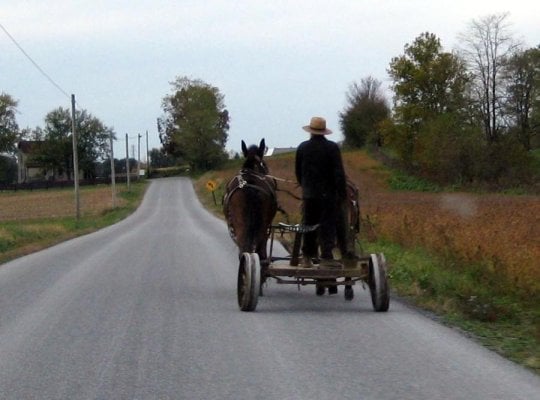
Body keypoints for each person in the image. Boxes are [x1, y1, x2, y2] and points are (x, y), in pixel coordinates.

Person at [295, 116, 346, 269]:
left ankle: (307, 257)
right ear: (324, 132)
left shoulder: (303, 148)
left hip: (309, 195)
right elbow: (338, 173)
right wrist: (341, 194)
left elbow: (298, 172)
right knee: (328, 225)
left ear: (310, 132)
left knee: (308, 225)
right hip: (328, 196)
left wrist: (305, 186)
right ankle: (326, 255)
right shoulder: (332, 148)